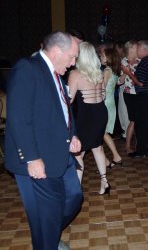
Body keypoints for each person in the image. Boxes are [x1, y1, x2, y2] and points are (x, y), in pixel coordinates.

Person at [5, 31, 83, 250]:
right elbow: (19, 118)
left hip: (59, 153)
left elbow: (63, 109)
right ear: (57, 51)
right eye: (72, 56)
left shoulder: (55, 72)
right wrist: (31, 158)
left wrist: (72, 135)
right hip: (38, 158)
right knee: (46, 216)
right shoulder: (27, 68)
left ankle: (48, 236)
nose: (73, 62)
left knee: (74, 197)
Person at [68, 42, 111, 195]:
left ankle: (76, 188)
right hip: (100, 112)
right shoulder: (99, 73)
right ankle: (104, 182)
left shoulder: (75, 74)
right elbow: (103, 94)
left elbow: (69, 100)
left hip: (86, 115)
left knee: (78, 151)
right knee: (97, 147)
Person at [131, 40, 148, 158]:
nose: (136, 51)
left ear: (145, 50)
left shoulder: (145, 62)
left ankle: (141, 150)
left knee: (141, 124)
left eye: (138, 49)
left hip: (145, 96)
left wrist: (128, 73)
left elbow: (140, 83)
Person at [100, 47, 123, 167]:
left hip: (104, 103)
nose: (100, 57)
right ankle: (109, 159)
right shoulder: (113, 70)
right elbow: (119, 82)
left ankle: (112, 158)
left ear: (109, 58)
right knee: (102, 133)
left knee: (100, 133)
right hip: (110, 103)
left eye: (102, 56)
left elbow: (101, 89)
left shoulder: (106, 71)